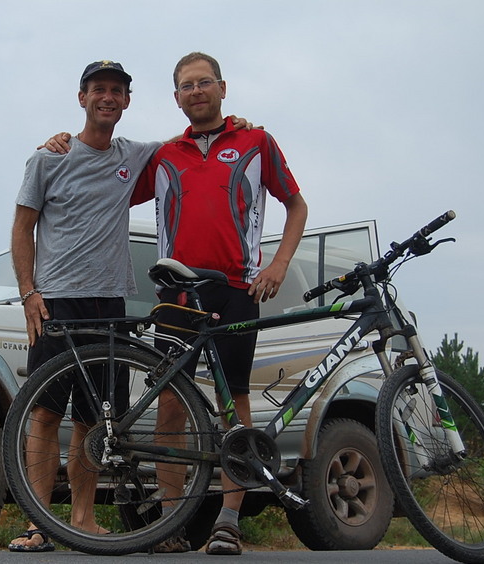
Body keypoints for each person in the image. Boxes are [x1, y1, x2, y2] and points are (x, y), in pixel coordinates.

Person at [130, 52, 308, 555]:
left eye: (204, 82)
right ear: (176, 97)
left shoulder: (256, 141)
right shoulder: (164, 155)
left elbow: (296, 204)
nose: (196, 91)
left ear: (223, 88)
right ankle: (169, 524)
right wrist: (63, 146)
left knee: (235, 404)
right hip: (177, 293)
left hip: (236, 290)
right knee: (171, 406)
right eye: (186, 86)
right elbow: (109, 181)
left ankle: (228, 522)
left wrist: (276, 265)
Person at [8, 60, 162, 552]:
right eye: (99, 90)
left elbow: (190, 143)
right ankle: (39, 524)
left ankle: (82, 520)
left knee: (97, 419)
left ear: (127, 101)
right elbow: (21, 227)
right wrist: (29, 293)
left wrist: (235, 126)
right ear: (82, 98)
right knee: (46, 415)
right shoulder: (47, 159)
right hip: (56, 304)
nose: (108, 97)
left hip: (109, 304)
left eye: (117, 91)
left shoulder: (134, 156)